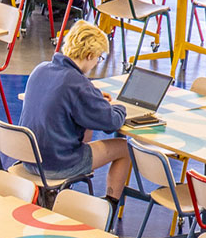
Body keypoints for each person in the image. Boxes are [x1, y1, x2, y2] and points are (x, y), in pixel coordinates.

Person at [16, 21, 131, 204]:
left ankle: (52, 193)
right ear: (89, 55)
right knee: (125, 148)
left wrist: (92, 98)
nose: (96, 63)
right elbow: (112, 122)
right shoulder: (78, 85)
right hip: (56, 164)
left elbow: (61, 97)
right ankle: (110, 206)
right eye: (98, 58)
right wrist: (120, 106)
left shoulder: (41, 69)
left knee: (83, 127)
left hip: (28, 157)